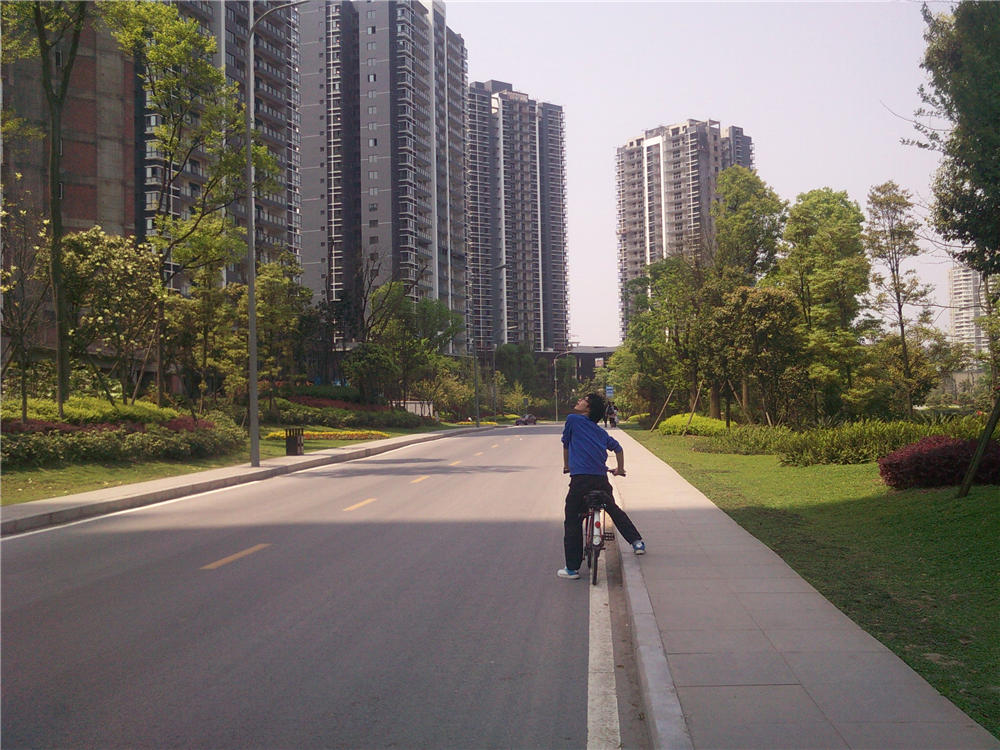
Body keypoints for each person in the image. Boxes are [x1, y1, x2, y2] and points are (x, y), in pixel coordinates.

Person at [557, 392, 645, 580]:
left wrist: (566, 465)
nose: (579, 400)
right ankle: (636, 542)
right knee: (612, 509)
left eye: (583, 400)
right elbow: (618, 449)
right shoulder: (601, 432)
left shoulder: (572, 420)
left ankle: (572, 569)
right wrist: (620, 469)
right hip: (600, 480)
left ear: (588, 408)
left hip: (580, 481)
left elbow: (566, 445)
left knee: (573, 520)